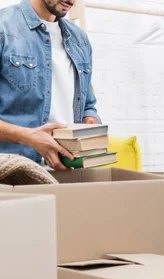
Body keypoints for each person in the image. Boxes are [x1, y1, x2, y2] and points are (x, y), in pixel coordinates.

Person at [0, 0, 101, 171]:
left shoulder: (80, 40)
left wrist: (90, 120)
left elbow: (88, 104)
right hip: (13, 173)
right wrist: (29, 137)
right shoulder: (3, 28)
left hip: (69, 172)